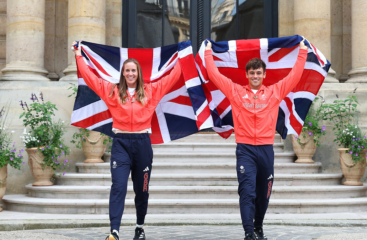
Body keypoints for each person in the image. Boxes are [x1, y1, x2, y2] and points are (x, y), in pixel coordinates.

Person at [71, 41, 182, 240]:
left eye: (133, 70)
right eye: (127, 70)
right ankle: (114, 231)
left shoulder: (151, 90)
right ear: (123, 73)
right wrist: (79, 55)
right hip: (121, 143)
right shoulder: (112, 91)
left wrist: (185, 55)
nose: (130, 73)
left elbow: (173, 76)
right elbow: (90, 77)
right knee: (118, 186)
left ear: (138, 73)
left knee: (142, 190)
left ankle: (139, 227)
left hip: (142, 145)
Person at [204, 38, 309, 240]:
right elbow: (214, 75)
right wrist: (208, 52)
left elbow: (294, 76)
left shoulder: (274, 92)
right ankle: (248, 232)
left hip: (266, 149)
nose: (255, 76)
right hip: (245, 149)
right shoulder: (235, 91)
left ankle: (258, 225)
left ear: (263, 75)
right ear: (246, 75)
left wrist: (302, 51)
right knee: (247, 191)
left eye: (258, 73)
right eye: (251, 73)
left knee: (264, 193)